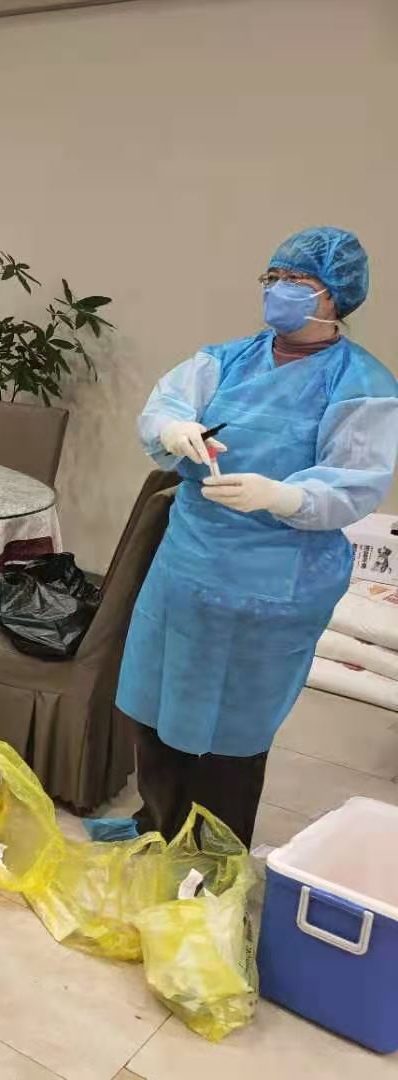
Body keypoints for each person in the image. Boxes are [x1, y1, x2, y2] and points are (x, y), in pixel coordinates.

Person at [116, 227, 398, 847]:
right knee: (156, 712)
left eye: (298, 281)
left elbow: (356, 482)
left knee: (231, 738)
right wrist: (173, 430)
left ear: (337, 295)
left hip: (274, 581)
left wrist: (283, 496)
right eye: (273, 278)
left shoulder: (361, 384)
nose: (279, 290)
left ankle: (210, 861)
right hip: (190, 565)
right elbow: (163, 409)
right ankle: (154, 830)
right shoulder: (225, 360)